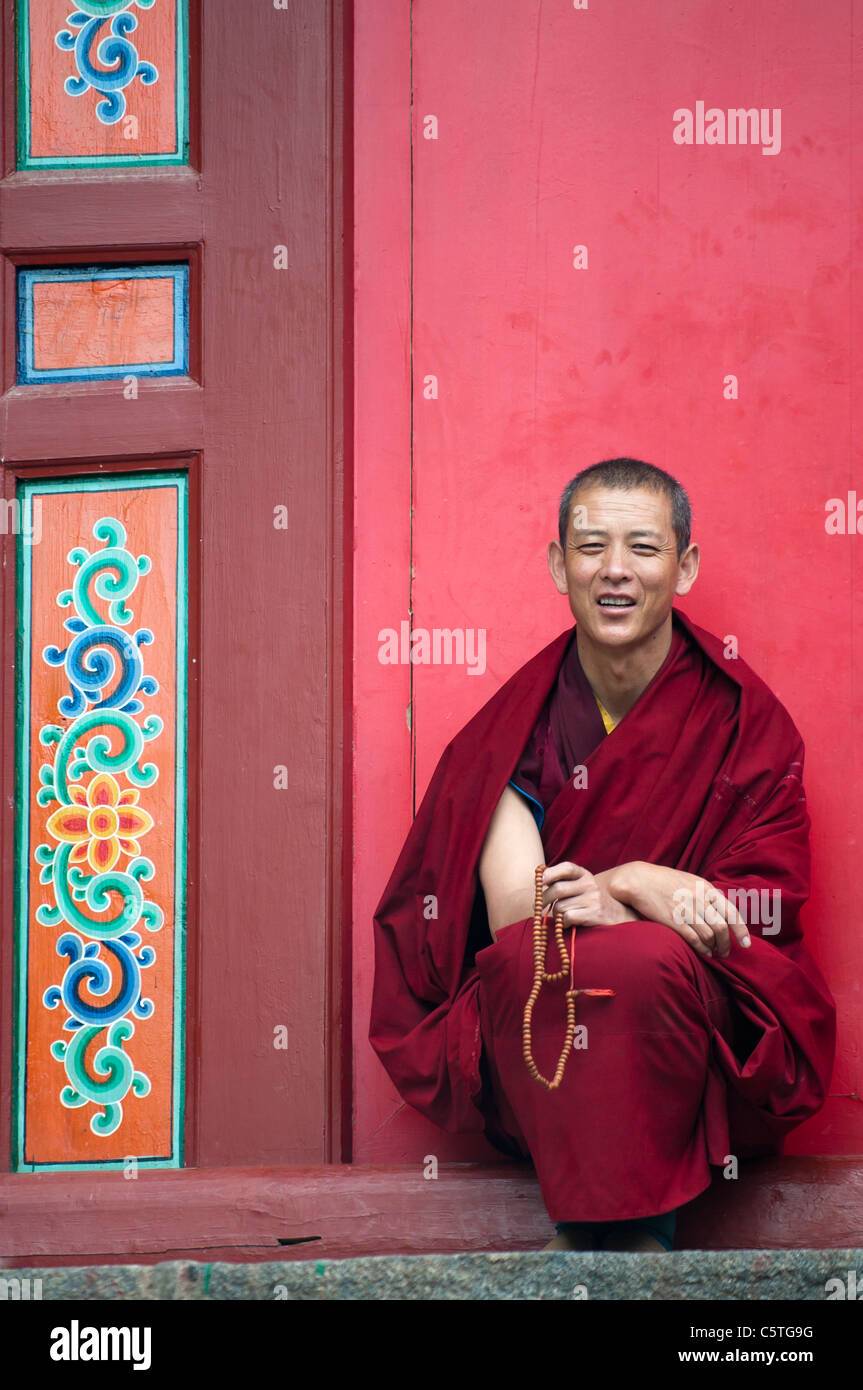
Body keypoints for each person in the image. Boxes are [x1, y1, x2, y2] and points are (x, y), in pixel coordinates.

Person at [369, 458, 836, 1253]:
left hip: (695, 1015)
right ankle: (613, 1232)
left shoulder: (740, 723)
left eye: (643, 549)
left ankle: (616, 1234)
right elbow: (518, 911)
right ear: (559, 564)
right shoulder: (510, 733)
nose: (614, 570)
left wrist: (638, 892)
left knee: (644, 962)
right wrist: (631, 884)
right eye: (590, 546)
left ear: (683, 566)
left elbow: (744, 922)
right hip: (543, 1019)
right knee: (543, 958)